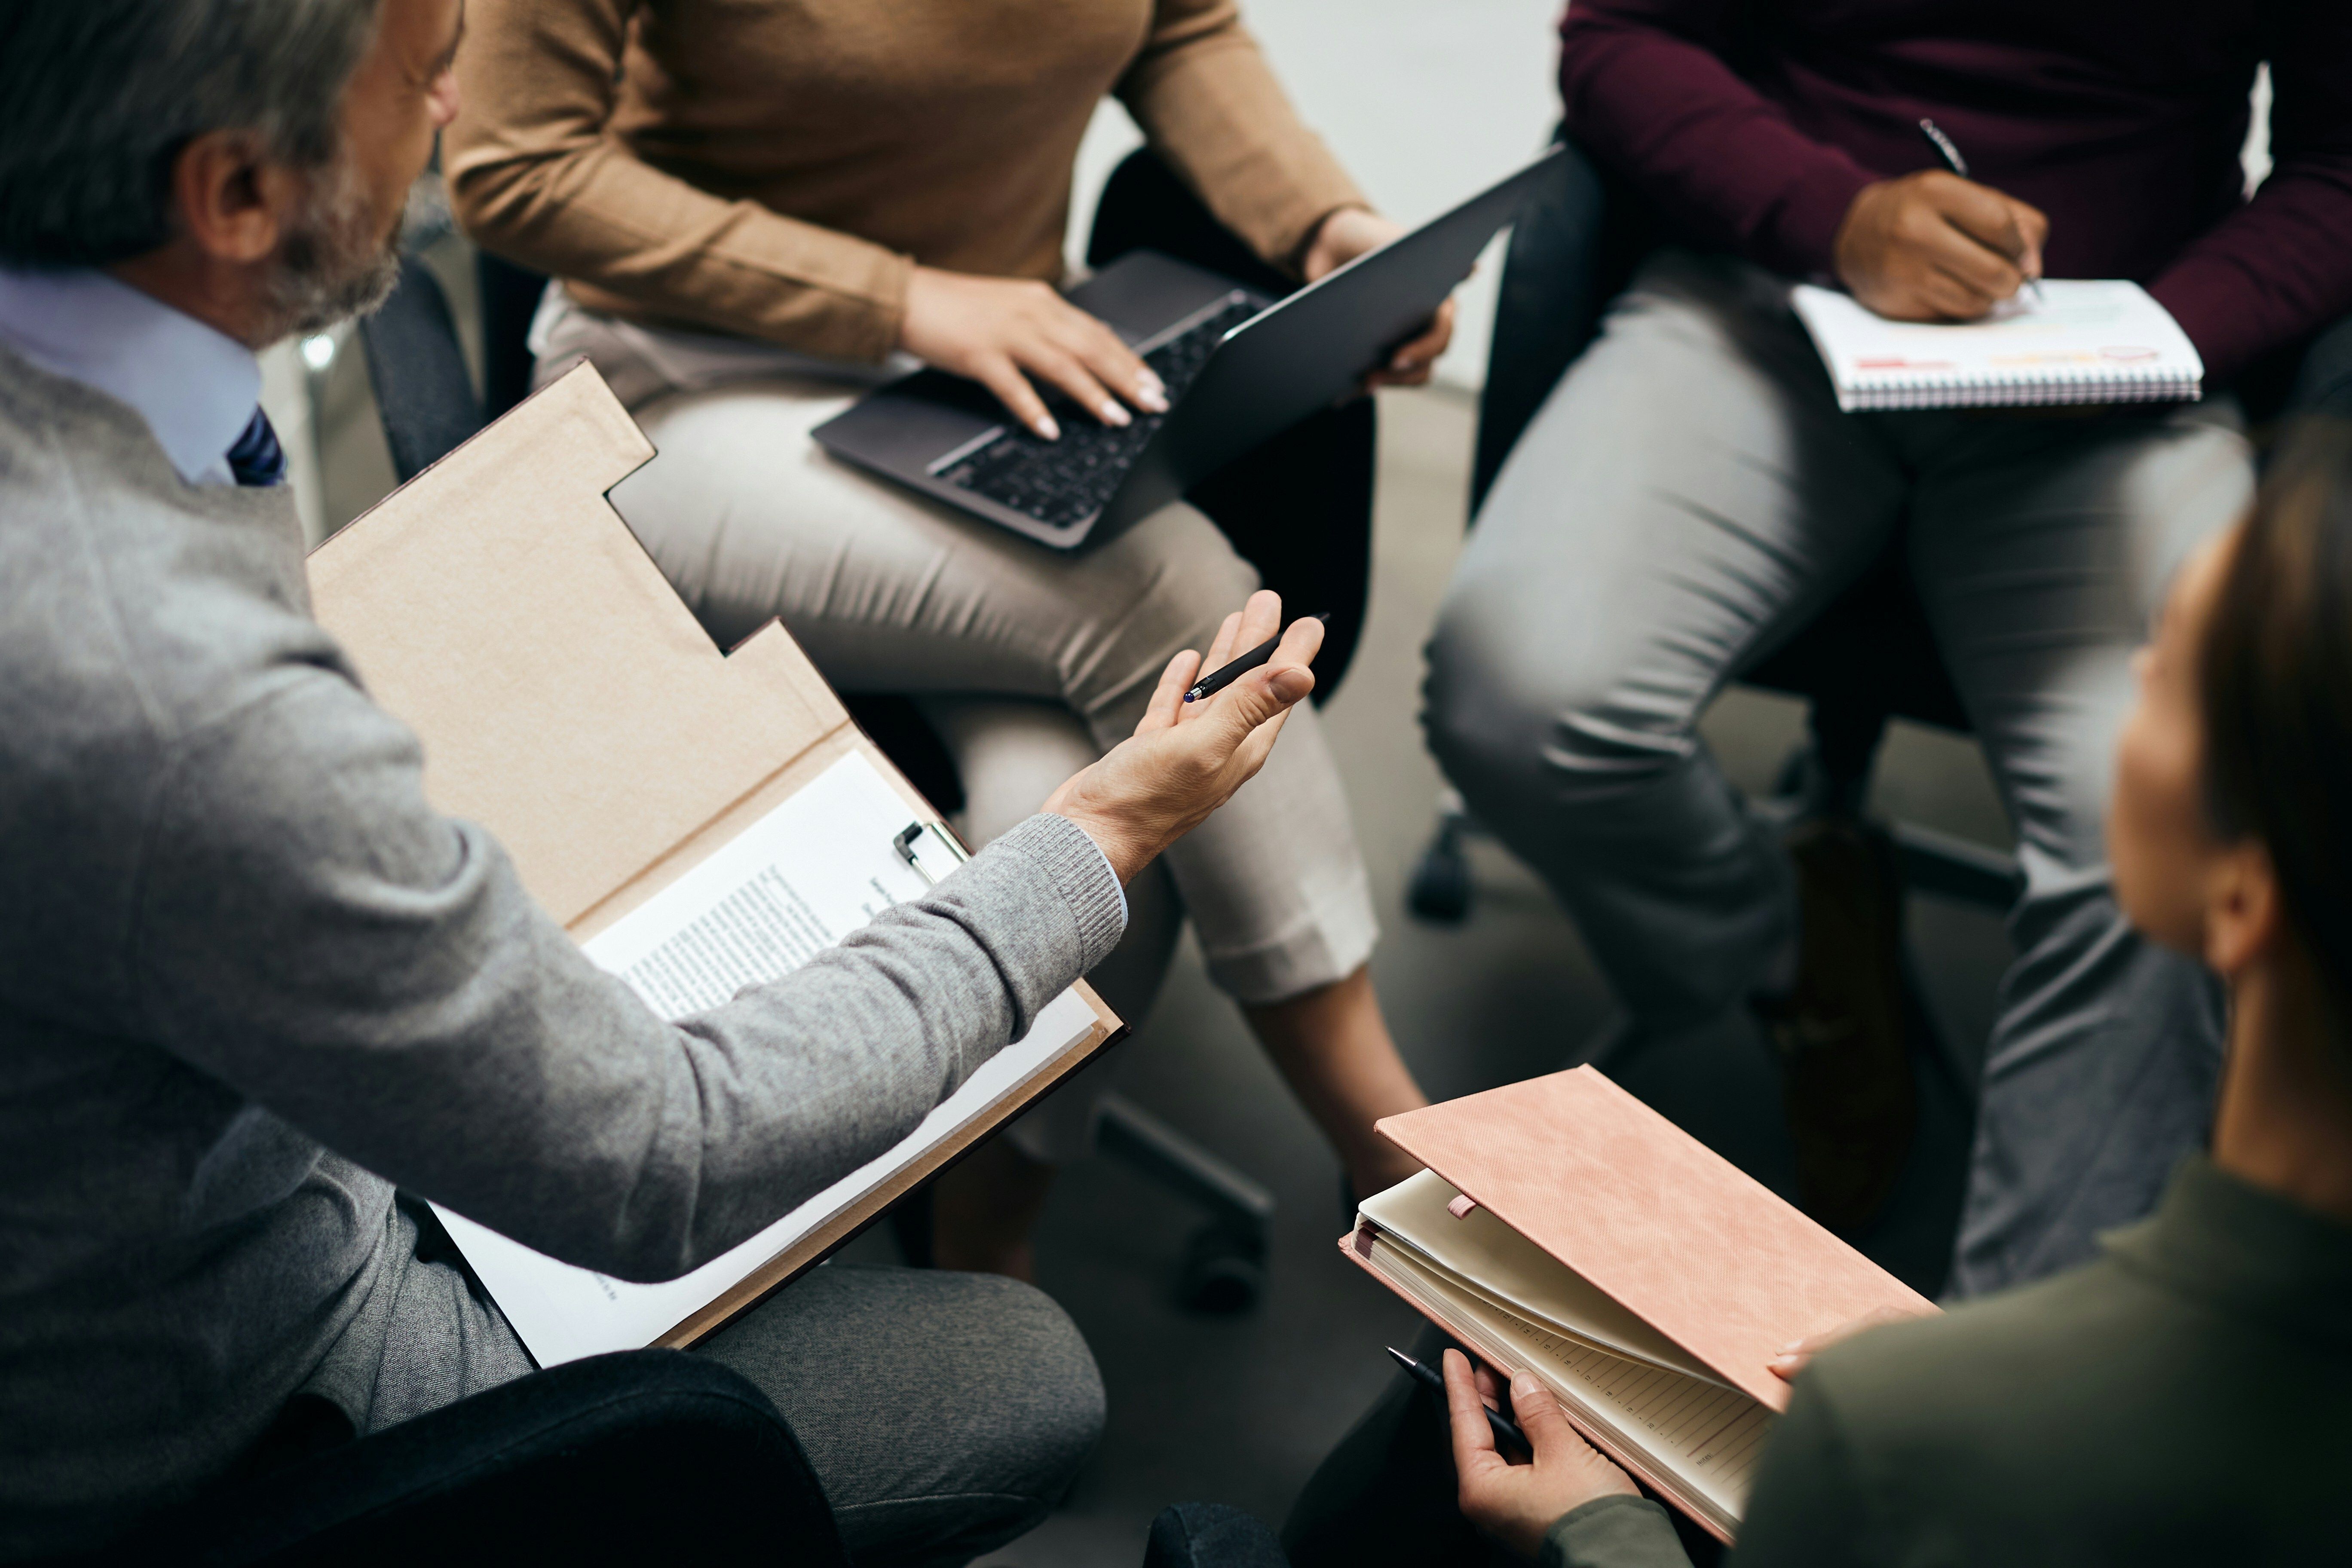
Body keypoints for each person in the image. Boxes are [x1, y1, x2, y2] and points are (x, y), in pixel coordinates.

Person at [0, 2, 1326, 1560]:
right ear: (232, 196)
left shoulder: (117, 399)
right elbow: (658, 1158)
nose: (450, 118)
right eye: (423, 82)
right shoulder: (171, 698)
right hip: (231, 1414)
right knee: (1015, 1374)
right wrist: (1093, 838)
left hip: (228, 1131)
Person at [443, 0, 1448, 1277]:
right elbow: (515, 171)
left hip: (972, 388)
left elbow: (1179, 28)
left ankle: (983, 1252)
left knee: (1063, 810)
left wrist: (1324, 221)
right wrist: (903, 300)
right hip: (682, 392)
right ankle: (1388, 1144)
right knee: (1162, 588)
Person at [1424, 0, 2352, 1276]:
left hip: (2122, 365)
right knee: (1516, 692)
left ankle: (2007, 1396)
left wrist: (2172, 334)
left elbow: (2341, 164)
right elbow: (1619, 41)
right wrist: (1836, 216)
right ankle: (1798, 958)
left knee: (2173, 826)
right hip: (1782, 306)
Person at [1332, 421, 2352, 1567]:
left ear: (2245, 898)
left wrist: (1602, 1535)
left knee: (1412, 1455)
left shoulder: (1908, 1444)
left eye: (2175, 665)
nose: (2136, 673)